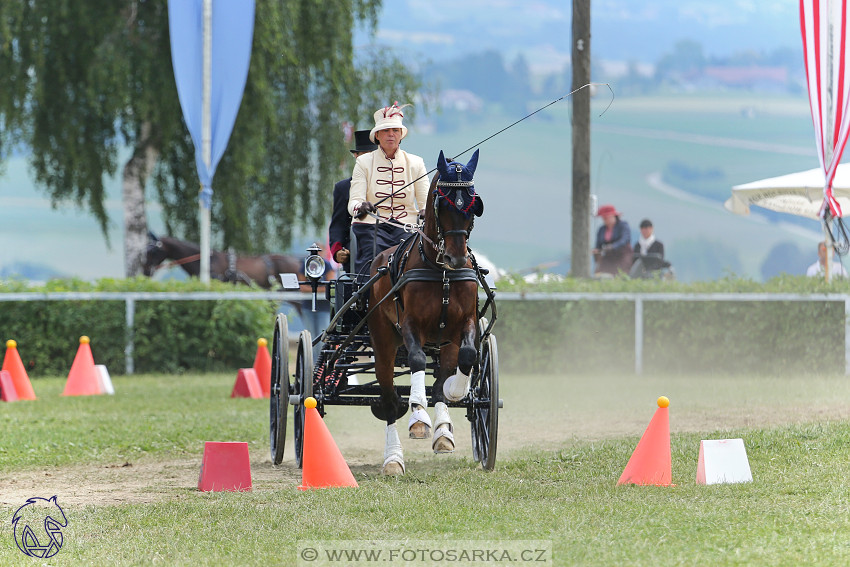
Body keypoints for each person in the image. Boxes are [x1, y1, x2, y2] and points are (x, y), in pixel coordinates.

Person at [347, 103, 429, 278]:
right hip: (371, 226)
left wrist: (425, 212)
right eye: (385, 130)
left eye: (395, 130)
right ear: (377, 135)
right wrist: (360, 207)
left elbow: (426, 204)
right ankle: (366, 300)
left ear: (401, 135)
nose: (391, 134)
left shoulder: (416, 163)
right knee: (371, 259)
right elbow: (353, 202)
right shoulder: (363, 163)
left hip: (407, 227)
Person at [329, 130, 378, 273]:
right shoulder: (343, 188)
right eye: (364, 155)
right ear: (356, 156)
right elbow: (338, 224)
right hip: (357, 251)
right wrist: (338, 251)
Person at [592, 204, 633, 276]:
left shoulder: (623, 226)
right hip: (608, 256)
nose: (605, 220)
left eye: (606, 217)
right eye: (603, 218)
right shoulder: (602, 229)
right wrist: (597, 250)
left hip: (622, 255)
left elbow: (625, 239)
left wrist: (613, 246)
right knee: (600, 272)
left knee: (620, 274)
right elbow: (598, 245)